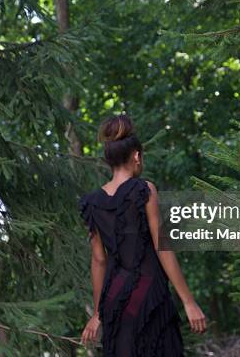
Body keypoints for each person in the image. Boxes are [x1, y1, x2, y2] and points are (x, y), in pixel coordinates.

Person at [79, 114, 207, 356]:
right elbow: (162, 246)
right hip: (148, 293)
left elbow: (98, 260)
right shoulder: (143, 190)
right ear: (136, 156)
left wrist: (98, 314)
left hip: (115, 299)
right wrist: (189, 302)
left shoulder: (92, 203)